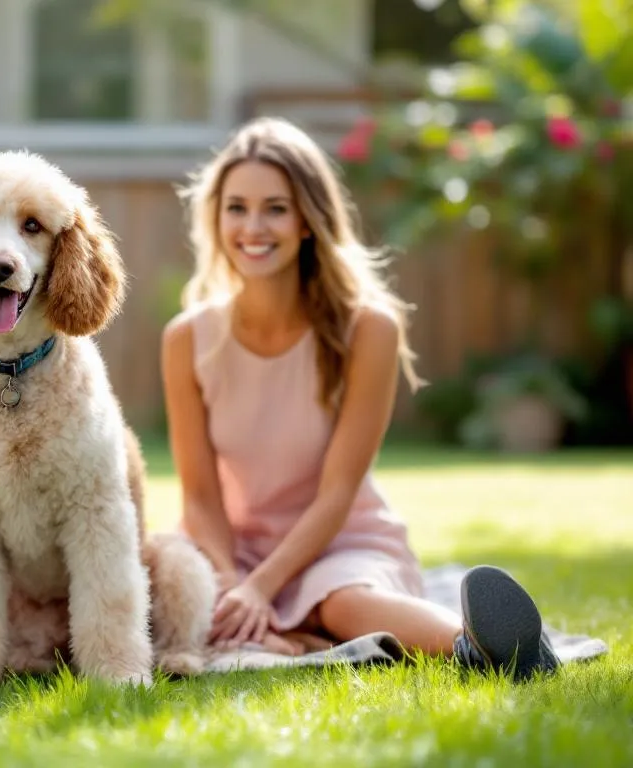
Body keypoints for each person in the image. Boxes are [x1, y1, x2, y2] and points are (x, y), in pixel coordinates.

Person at [160, 116, 559, 681]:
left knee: (341, 604)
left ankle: (487, 651)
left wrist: (264, 589)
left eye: (275, 207)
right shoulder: (186, 338)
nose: (253, 226)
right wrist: (231, 587)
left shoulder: (369, 328)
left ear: (307, 220)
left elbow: (339, 491)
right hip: (235, 550)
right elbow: (199, 497)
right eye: (236, 207)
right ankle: (283, 626)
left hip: (340, 540)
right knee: (169, 599)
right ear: (216, 218)